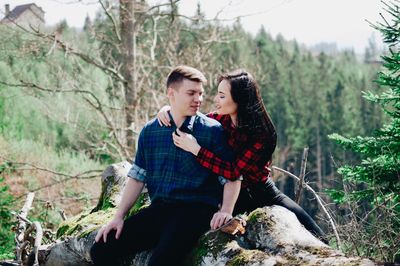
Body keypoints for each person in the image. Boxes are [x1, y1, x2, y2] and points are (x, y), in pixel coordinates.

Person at [90, 66, 241, 266]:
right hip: (160, 210)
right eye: (191, 93)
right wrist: (118, 217)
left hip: (196, 211)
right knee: (101, 249)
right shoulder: (150, 131)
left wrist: (226, 211)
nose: (199, 99)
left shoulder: (212, 131)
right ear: (171, 94)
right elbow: (137, 177)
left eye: (200, 93)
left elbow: (231, 176)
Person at [157, 69, 326, 242]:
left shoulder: (263, 134)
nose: (215, 100)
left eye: (222, 96)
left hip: (261, 192)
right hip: (225, 194)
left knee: (317, 235)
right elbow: (191, 120)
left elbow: (233, 171)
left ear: (239, 99)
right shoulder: (220, 119)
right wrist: (169, 108)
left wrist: (197, 150)